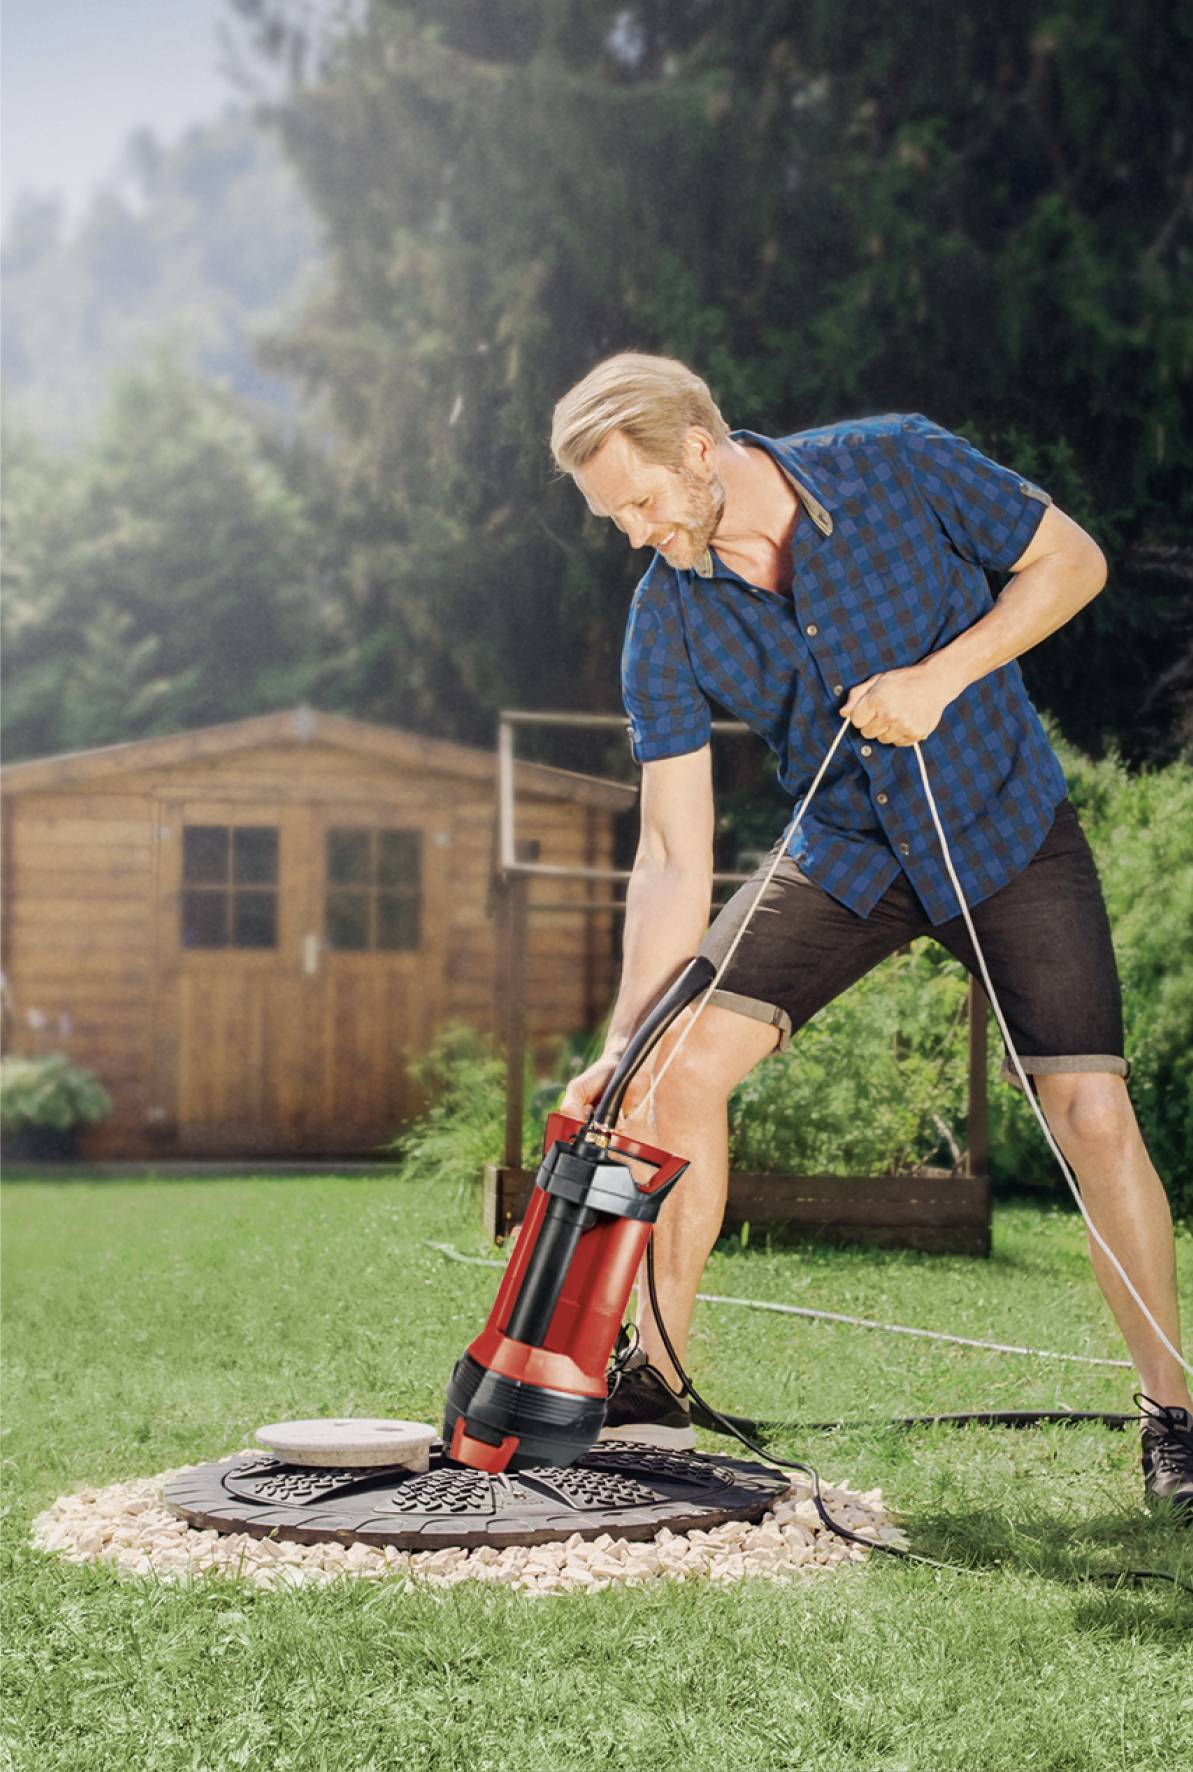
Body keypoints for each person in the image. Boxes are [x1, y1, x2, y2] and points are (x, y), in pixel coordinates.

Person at [550, 351, 1192, 1517]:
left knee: (1089, 1112)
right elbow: (670, 853)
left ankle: (1172, 1415)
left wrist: (941, 676)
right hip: (842, 854)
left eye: (639, 502)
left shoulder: (891, 458)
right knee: (675, 1073)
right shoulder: (666, 618)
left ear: (700, 448)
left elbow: (1072, 561)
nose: (634, 533)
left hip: (1001, 822)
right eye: (613, 517)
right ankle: (655, 1379)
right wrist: (622, 1041)